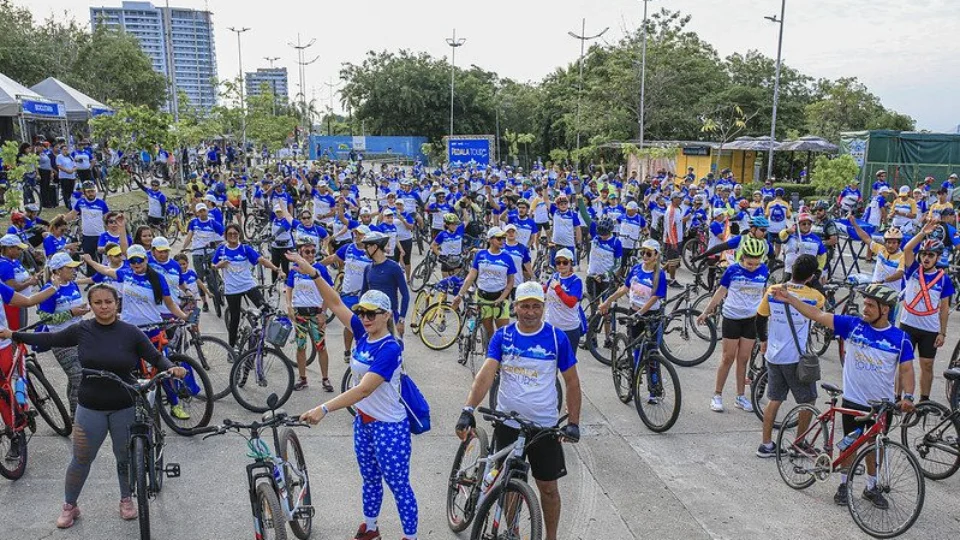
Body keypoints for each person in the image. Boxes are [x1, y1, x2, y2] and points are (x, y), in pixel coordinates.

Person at [1, 284, 186, 528]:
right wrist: (13, 335)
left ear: (116, 303)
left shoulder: (130, 332)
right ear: (91, 305)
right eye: (97, 303)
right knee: (81, 459)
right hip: (90, 406)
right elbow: (51, 338)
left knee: (125, 457)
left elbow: (155, 357)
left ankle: (126, 499)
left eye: (108, 302)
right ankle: (70, 505)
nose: (103, 307)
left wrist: (171, 367)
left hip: (124, 404)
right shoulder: (82, 329)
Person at [455, 281, 582, 540]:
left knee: (548, 489)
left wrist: (574, 423)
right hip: (508, 423)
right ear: (515, 307)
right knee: (509, 485)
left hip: (543, 426)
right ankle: (511, 530)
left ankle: (551, 537)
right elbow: (486, 375)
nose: (531, 312)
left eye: (536, 306)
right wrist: (468, 408)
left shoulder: (557, 339)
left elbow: (572, 382)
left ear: (543, 308)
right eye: (525, 306)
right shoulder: (503, 336)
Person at [771, 281, 915, 507]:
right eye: (864, 303)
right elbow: (817, 314)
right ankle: (843, 484)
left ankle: (871, 487)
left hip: (882, 405)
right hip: (853, 400)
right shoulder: (852, 325)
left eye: (870, 305)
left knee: (875, 448)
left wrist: (908, 397)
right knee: (849, 445)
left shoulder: (901, 338)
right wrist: (790, 299)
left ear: (885, 309)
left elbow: (906, 369)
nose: (864, 308)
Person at [297, 274, 419, 540]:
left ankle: (410, 537)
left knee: (399, 486)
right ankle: (371, 528)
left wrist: (324, 408)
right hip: (363, 423)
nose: (365, 318)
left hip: (389, 428)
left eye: (372, 313)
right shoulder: (364, 333)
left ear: (386, 315)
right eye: (362, 312)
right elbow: (335, 302)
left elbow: (364, 389)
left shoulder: (390, 348)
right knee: (370, 480)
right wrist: (314, 273)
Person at [697, 236, 770, 413]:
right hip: (732, 318)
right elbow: (721, 292)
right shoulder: (732, 270)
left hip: (751, 320)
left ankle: (740, 396)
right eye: (748, 263)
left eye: (756, 263)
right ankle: (717, 395)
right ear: (742, 257)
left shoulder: (764, 271)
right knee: (727, 358)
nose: (752, 267)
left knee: (743, 360)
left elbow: (763, 295)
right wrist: (706, 311)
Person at [898, 220, 954, 402]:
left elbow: (944, 308)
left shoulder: (944, 280)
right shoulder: (913, 269)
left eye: (931, 255)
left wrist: (943, 332)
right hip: (908, 324)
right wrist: (922, 233)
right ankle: (897, 398)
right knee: (903, 364)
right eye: (923, 254)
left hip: (929, 329)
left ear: (937, 257)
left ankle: (924, 400)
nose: (926, 258)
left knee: (927, 365)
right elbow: (907, 249)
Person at [36, 253, 91, 417]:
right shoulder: (49, 290)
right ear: (58, 271)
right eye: (70, 268)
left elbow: (73, 308)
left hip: (80, 337)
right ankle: (76, 417)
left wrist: (81, 309)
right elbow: (46, 319)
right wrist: (71, 313)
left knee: (75, 376)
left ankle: (74, 410)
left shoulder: (73, 284)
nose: (75, 270)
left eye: (75, 267)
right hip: (61, 340)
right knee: (78, 378)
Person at [212, 223, 284, 347]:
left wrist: (277, 269)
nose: (233, 236)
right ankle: (232, 348)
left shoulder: (245, 249)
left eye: (235, 233)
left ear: (239, 234)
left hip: (248, 285)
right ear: (226, 236)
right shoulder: (221, 249)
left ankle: (262, 337)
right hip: (232, 289)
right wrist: (219, 266)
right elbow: (212, 266)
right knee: (235, 319)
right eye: (230, 234)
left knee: (265, 310)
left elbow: (262, 260)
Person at [452, 227, 518, 341]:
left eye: (503, 238)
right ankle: (490, 355)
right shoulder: (480, 254)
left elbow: (511, 282)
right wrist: (460, 295)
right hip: (483, 297)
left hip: (500, 298)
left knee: (503, 333)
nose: (502, 241)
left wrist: (502, 298)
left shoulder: (507, 257)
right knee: (488, 332)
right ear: (490, 240)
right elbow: (471, 276)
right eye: (499, 238)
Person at [285, 237, 333, 392]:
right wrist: (289, 306)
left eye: (313, 251)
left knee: (321, 347)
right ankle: (302, 378)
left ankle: (325, 379)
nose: (311, 254)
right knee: (300, 347)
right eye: (307, 251)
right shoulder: (295, 268)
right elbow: (289, 287)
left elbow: (329, 292)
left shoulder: (320, 269)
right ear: (301, 252)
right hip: (300, 314)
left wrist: (324, 313)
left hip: (315, 313)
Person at [321, 224, 373, 363]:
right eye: (356, 233)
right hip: (349, 294)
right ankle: (347, 351)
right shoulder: (348, 248)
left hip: (365, 296)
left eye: (360, 234)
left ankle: (362, 350)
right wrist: (315, 267)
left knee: (365, 325)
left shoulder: (371, 252)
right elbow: (332, 259)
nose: (357, 236)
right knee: (350, 325)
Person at [359, 231, 410, 337]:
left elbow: (405, 294)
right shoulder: (368, 268)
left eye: (366, 247)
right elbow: (363, 294)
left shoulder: (394, 267)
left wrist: (401, 319)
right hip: (372, 317)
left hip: (391, 316)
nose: (365, 251)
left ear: (374, 247)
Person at [543, 248, 585, 349]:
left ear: (571, 263)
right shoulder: (555, 276)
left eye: (565, 262)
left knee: (567, 363)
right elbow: (545, 289)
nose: (561, 265)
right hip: (551, 325)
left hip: (569, 328)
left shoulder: (576, 281)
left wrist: (558, 289)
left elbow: (571, 302)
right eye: (558, 262)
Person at [65, 182, 109, 270]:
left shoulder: (101, 203)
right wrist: (61, 221)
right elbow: (72, 214)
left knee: (103, 259)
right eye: (88, 191)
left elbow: (107, 218)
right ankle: (91, 281)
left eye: (93, 191)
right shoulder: (80, 202)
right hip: (87, 236)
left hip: (100, 235)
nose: (91, 193)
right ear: (84, 192)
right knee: (89, 260)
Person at [0, 234, 39, 329]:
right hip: (14, 305)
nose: (21, 251)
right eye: (18, 249)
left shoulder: (14, 261)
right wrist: (29, 282)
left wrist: (31, 279)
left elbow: (21, 279)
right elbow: (13, 287)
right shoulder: (5, 265)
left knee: (22, 329)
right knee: (18, 331)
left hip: (22, 301)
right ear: (9, 249)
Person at [55, 145, 77, 209]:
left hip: (72, 176)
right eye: (64, 149)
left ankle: (71, 203)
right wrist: (66, 170)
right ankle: (67, 205)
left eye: (66, 149)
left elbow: (75, 165)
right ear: (61, 150)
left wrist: (72, 170)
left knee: (71, 190)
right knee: (65, 191)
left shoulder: (70, 156)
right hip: (64, 176)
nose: (65, 151)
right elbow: (59, 166)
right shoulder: (59, 157)